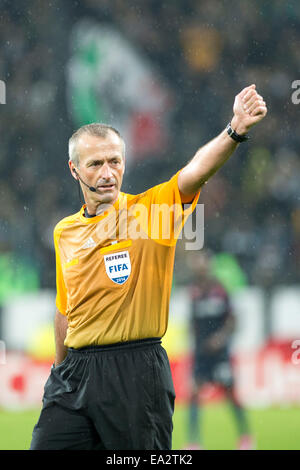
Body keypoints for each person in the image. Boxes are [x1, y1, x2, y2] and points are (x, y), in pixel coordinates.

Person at [30, 84, 267, 450]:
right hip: (73, 376)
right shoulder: (65, 231)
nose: (108, 172)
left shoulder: (151, 213)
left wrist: (234, 131)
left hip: (135, 371)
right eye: (95, 164)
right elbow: (65, 310)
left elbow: (193, 174)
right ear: (74, 170)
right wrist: (58, 372)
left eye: (115, 161)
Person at [186, 250, 255, 450]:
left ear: (209, 265)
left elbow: (233, 320)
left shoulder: (220, 290)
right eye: (196, 262)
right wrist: (195, 343)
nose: (199, 266)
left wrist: (221, 338)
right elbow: (192, 322)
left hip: (220, 353)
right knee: (195, 394)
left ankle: (246, 438)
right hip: (201, 354)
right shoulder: (193, 291)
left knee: (230, 394)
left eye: (202, 262)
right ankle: (194, 442)